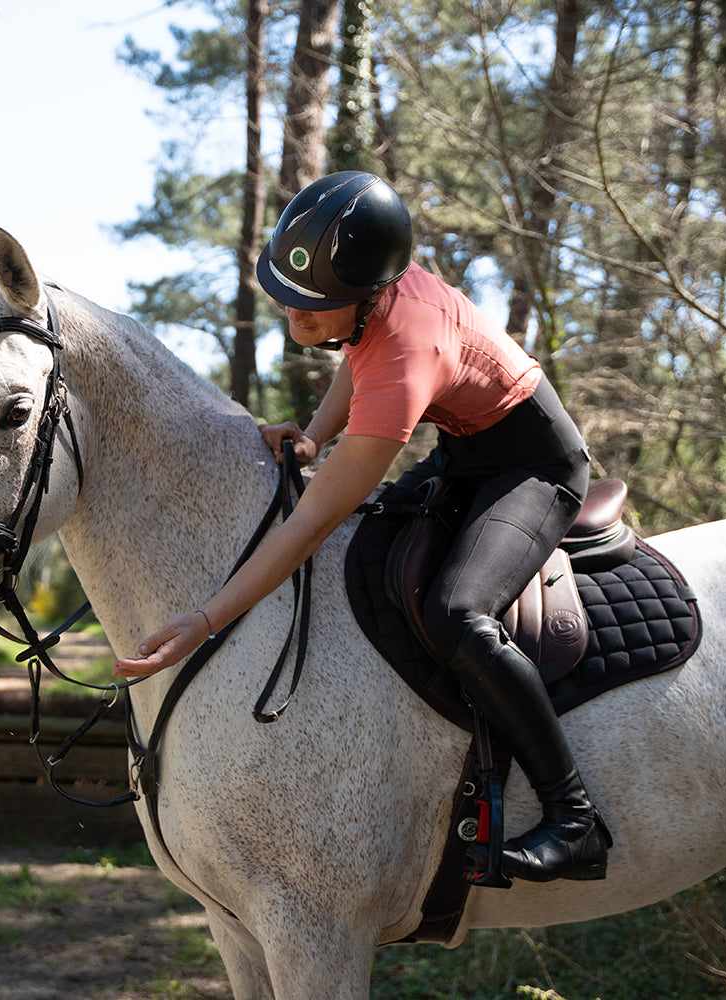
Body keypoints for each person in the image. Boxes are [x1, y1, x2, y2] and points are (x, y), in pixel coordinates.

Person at [113, 170, 611, 885]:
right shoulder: (370, 301)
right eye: (287, 304)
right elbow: (357, 355)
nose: (296, 324)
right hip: (467, 452)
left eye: (313, 312)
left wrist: (207, 618)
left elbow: (314, 517)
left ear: (369, 292)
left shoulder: (409, 351)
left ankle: (576, 819)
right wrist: (315, 436)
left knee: (456, 612)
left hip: (534, 466)